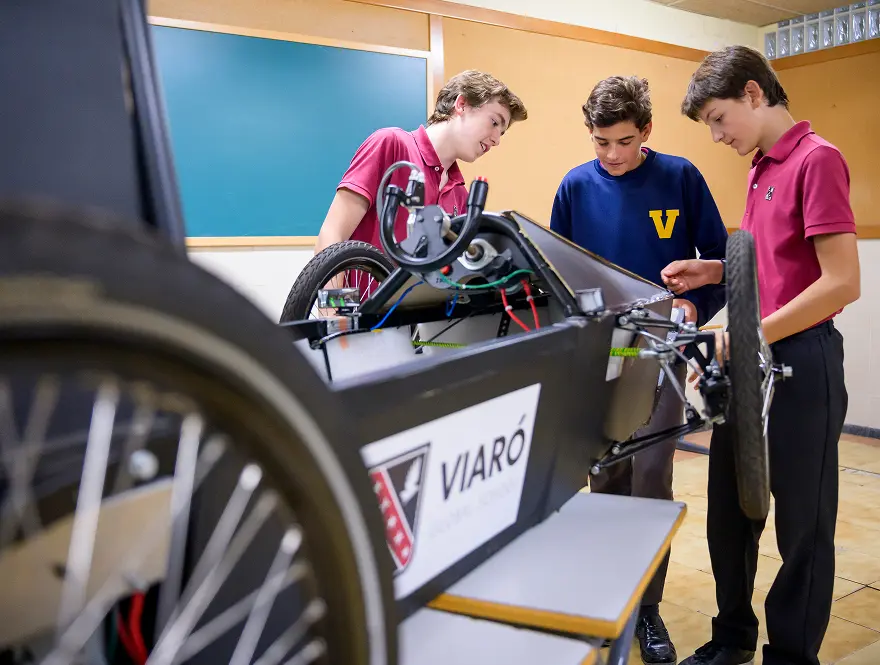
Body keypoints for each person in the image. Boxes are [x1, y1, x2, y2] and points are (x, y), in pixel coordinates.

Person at [663, 46, 860, 665]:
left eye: (719, 119)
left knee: (803, 526)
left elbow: (841, 282)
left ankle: (792, 654)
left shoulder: (817, 160)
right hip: (753, 364)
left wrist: (751, 334)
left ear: (753, 93)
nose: (717, 136)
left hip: (803, 362)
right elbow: (777, 268)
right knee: (729, 512)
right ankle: (732, 640)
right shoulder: (760, 167)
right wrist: (715, 271)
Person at [550, 75, 728, 665]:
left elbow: (719, 262)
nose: (612, 154)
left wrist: (695, 307)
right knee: (606, 475)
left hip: (660, 351)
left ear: (646, 131)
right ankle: (611, 600)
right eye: (600, 142)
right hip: (600, 353)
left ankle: (648, 609)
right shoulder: (575, 187)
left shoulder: (680, 177)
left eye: (624, 142)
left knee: (651, 476)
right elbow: (558, 274)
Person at [313, 69, 528, 255]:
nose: (497, 140)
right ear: (461, 104)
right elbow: (333, 234)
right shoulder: (391, 144)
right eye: (494, 122)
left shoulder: (460, 194)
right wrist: (335, 294)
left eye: (502, 133)